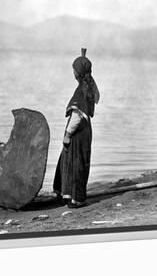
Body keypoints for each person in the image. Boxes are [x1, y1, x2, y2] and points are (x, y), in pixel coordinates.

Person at [53, 48, 100, 208]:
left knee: (73, 164)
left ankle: (73, 200)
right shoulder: (89, 87)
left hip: (77, 133)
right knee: (78, 164)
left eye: (74, 69)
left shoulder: (81, 91)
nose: (72, 72)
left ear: (77, 72)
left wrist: (67, 134)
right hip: (86, 133)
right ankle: (72, 197)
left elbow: (77, 116)